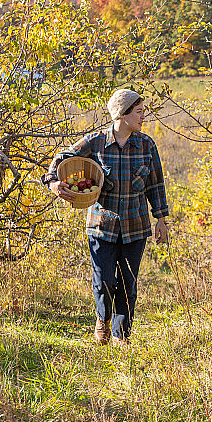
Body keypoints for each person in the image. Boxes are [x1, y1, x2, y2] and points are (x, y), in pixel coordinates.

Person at [43, 88, 169, 345]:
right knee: (103, 280)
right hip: (102, 226)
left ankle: (121, 335)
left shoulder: (146, 145)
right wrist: (53, 182)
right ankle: (103, 318)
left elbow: (155, 184)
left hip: (136, 226)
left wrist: (161, 219)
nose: (143, 116)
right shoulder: (95, 142)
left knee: (127, 282)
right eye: (138, 111)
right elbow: (60, 159)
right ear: (122, 114)